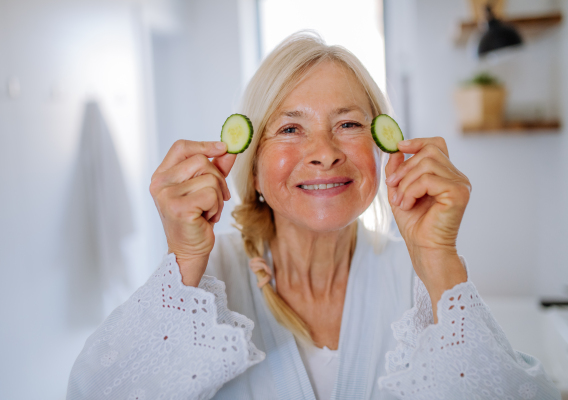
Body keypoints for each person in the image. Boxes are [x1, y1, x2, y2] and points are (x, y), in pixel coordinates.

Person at [67, 33, 560, 400]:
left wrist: (440, 261)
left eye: (348, 124)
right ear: (253, 166)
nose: (324, 152)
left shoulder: (417, 282)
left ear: (384, 148)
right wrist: (183, 260)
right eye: (289, 128)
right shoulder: (201, 288)